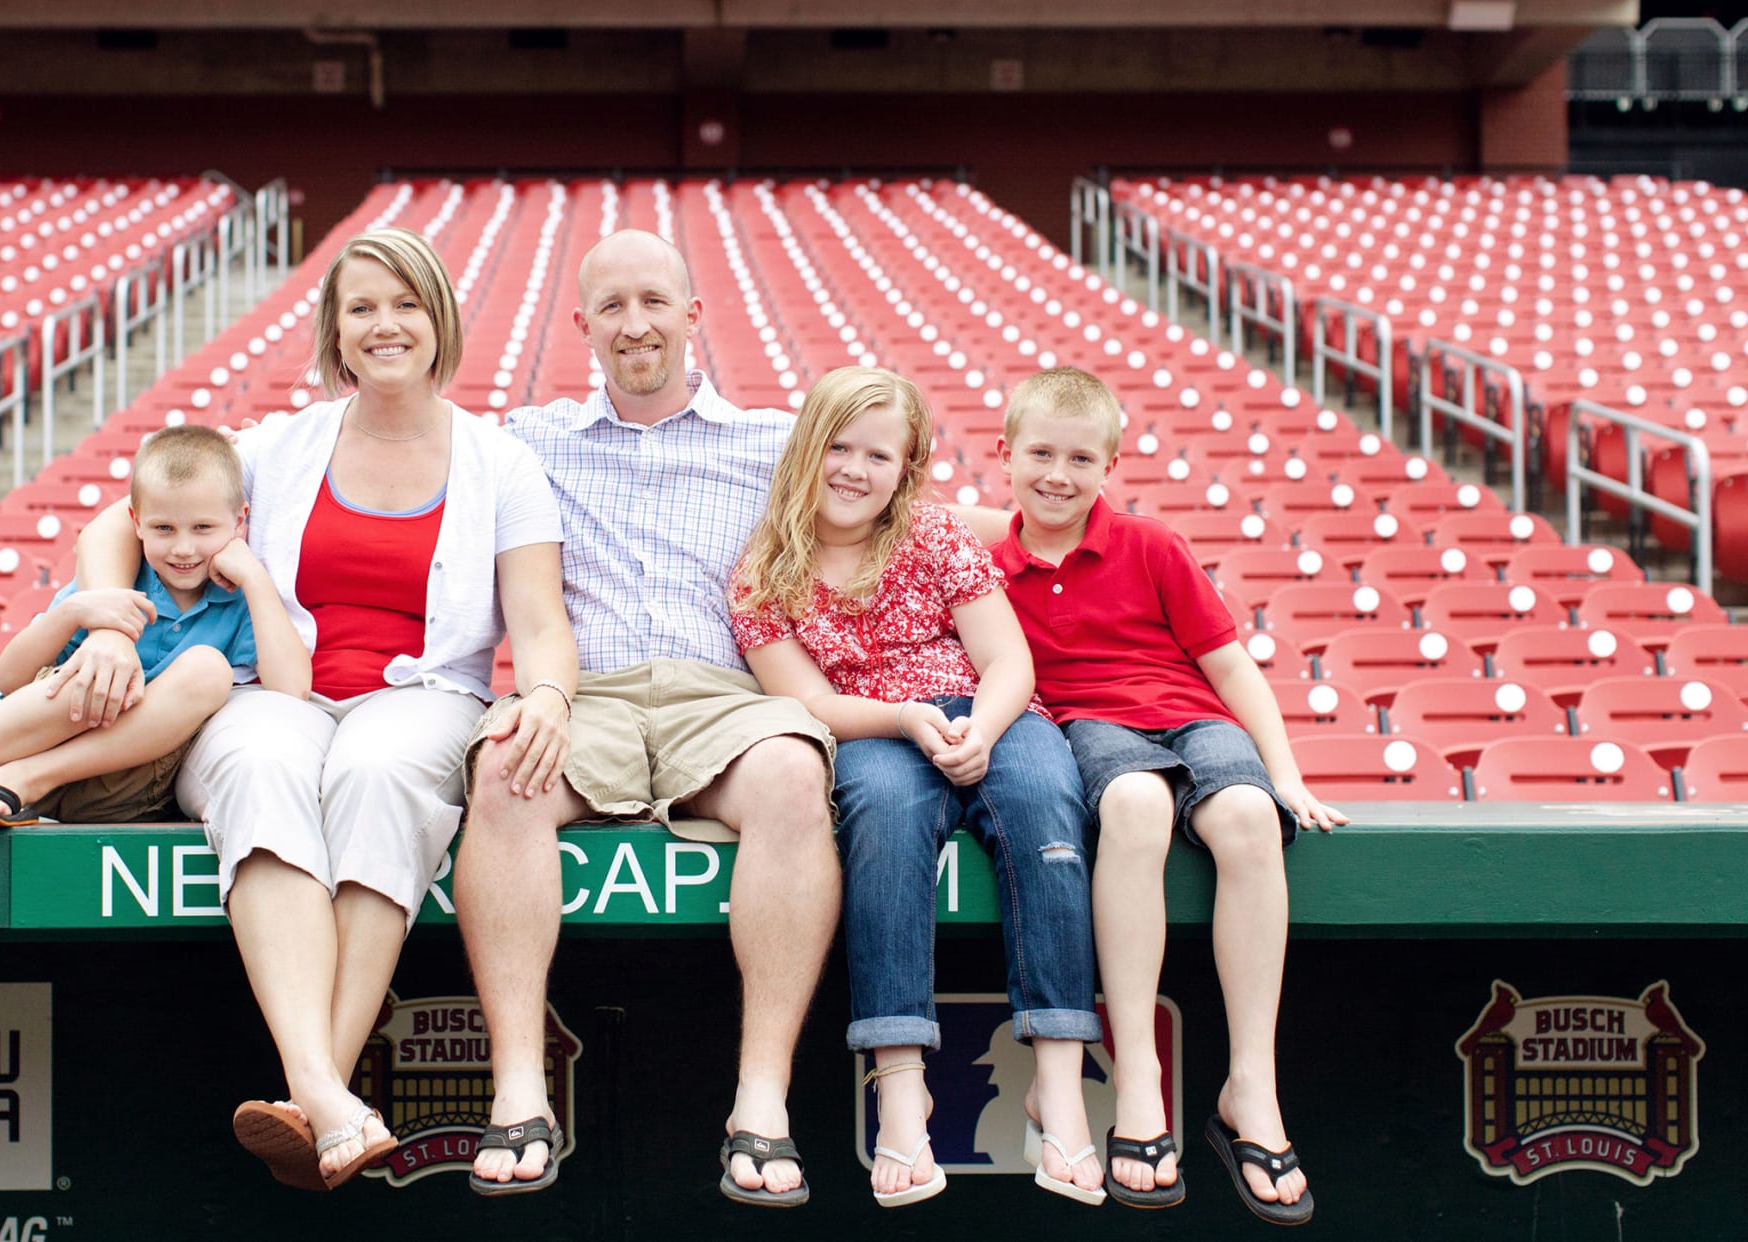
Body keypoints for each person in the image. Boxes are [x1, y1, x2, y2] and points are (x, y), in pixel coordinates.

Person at [51, 227, 576, 1191]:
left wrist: (546, 692)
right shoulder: (277, 445)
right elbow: (119, 519)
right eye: (362, 306)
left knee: (378, 775)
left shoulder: (501, 463)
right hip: (271, 687)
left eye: (407, 303)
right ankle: (324, 1096)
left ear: (440, 319)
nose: (386, 324)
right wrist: (112, 626)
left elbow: (539, 621)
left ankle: (309, 1096)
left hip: (420, 694)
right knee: (258, 767)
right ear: (335, 329)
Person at [456, 229, 841, 1205]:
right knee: (502, 770)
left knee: (797, 775)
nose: (636, 325)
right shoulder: (526, 441)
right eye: (614, 308)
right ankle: (518, 1089)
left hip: (725, 696)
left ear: (692, 315)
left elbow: (898, 505)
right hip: (592, 695)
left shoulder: (772, 442)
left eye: (655, 302)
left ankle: (762, 1098)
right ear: (583, 326)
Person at [727, 366, 1105, 1209]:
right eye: (839, 447)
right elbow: (812, 701)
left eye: (879, 454)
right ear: (806, 450)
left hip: (989, 714)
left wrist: (986, 727)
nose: (855, 469)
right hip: (871, 727)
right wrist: (903, 719)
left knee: (1048, 806)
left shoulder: (935, 537)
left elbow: (1009, 659)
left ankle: (1059, 1080)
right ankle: (901, 1080)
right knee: (886, 821)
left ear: (907, 467)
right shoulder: (764, 569)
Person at [986, 366, 1346, 1226]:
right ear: (1004, 455)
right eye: (1040, 452)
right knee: (1136, 808)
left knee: (1252, 819)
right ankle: (1138, 1074)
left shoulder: (1151, 545)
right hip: (1092, 727)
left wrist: (1286, 771)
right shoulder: (986, 567)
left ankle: (1250, 1087)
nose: (1058, 475)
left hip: (1193, 717)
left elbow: (1229, 668)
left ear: (1109, 466)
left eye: (1081, 458)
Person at [0, 424, 306, 833]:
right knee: (90, 667)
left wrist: (255, 578)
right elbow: (10, 679)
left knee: (207, 670)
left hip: (126, 785)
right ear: (134, 522)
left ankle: (26, 778)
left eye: (203, 529)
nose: (182, 549)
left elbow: (292, 691)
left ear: (240, 520)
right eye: (163, 529)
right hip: (19, 764)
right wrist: (73, 615)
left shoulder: (238, 597)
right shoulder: (114, 581)